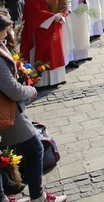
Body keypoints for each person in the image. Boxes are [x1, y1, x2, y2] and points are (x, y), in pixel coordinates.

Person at [1, 15, 69, 202]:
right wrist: (29, 91)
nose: (9, 34)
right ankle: (38, 197)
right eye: (7, 30)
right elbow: (11, 89)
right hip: (8, 112)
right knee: (35, 149)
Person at [19, 0, 67, 87]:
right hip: (41, 29)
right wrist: (52, 16)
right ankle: (41, 82)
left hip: (55, 26)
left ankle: (58, 78)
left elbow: (63, 6)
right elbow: (33, 12)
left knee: (56, 52)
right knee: (44, 52)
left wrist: (62, 15)